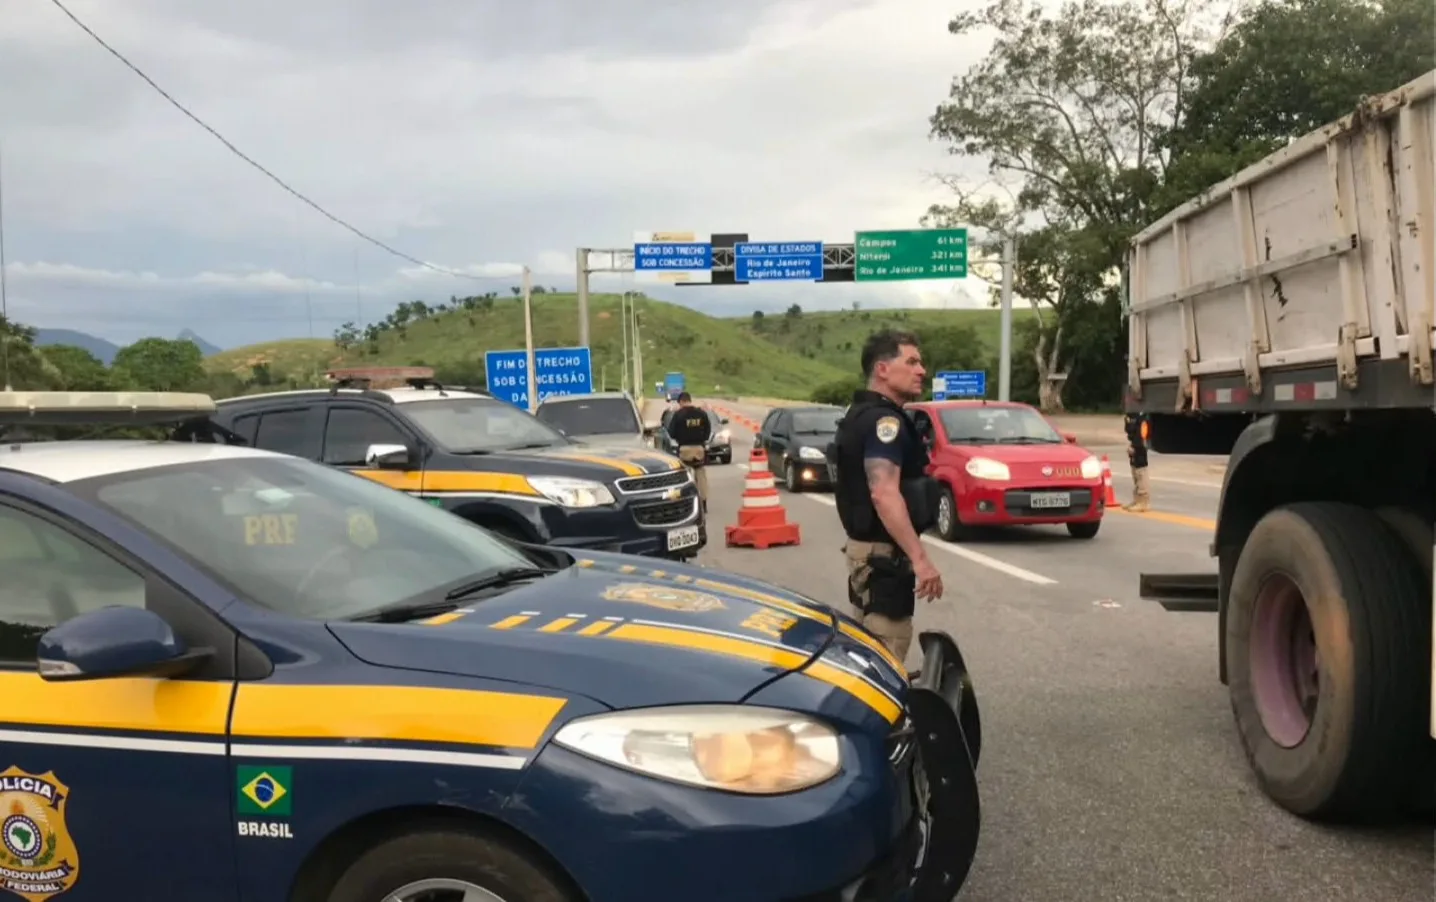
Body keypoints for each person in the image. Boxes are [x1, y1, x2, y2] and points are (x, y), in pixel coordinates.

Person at [830, 330, 944, 669]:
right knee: (885, 663)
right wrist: (921, 560)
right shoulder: (885, 421)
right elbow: (884, 492)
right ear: (882, 369)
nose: (921, 370)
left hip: (866, 552)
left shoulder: (858, 414)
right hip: (882, 557)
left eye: (920, 362)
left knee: (864, 655)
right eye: (911, 362)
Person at [666, 392, 714, 515]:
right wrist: (701, 439)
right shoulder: (701, 413)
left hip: (684, 449)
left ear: (681, 402)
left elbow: (671, 433)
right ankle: (704, 503)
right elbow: (708, 431)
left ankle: (685, 501)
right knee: (700, 473)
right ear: (689, 400)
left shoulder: (678, 415)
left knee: (683, 474)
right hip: (699, 448)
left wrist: (680, 437)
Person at [1123, 410, 1151, 512]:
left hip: (1140, 445)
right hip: (1134, 442)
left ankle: (1143, 502)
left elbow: (1142, 433)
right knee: (1134, 470)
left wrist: (1135, 446)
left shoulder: (1143, 415)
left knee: (1140, 471)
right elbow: (1129, 430)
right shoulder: (1132, 414)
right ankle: (1137, 500)